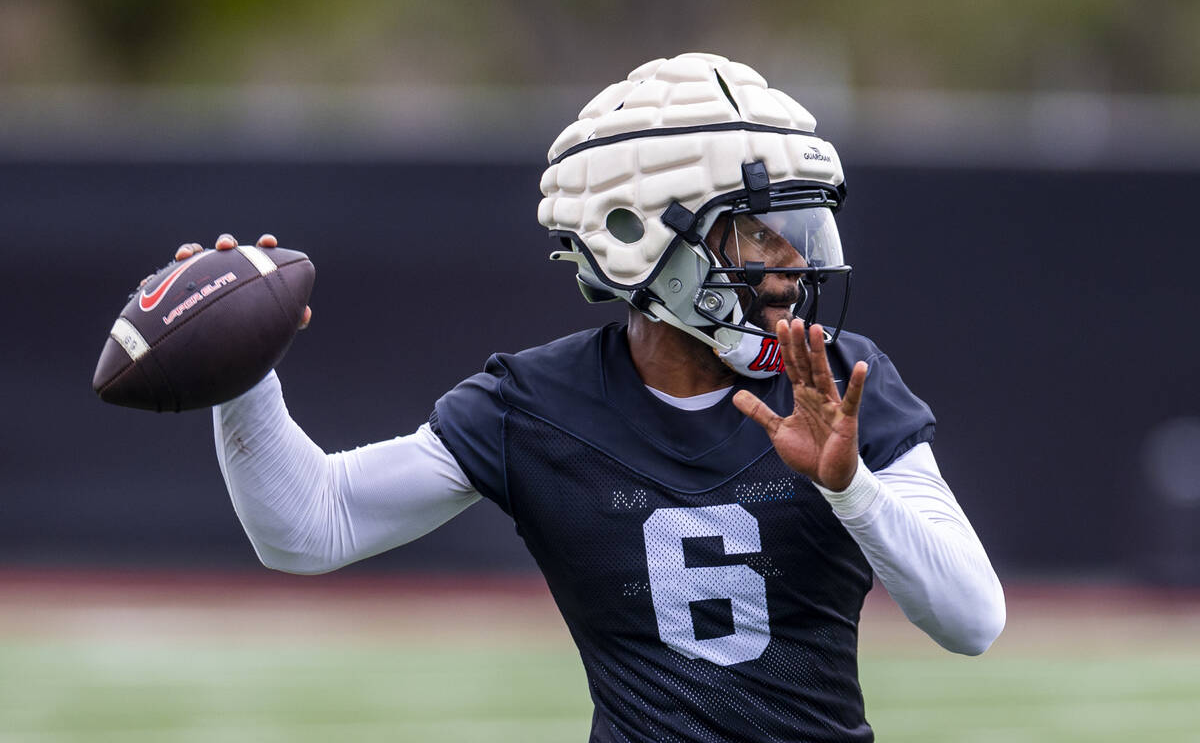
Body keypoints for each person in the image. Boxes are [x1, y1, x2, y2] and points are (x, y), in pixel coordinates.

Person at [182, 53, 1004, 742]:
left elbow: (973, 622)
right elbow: (308, 525)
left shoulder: (837, 384)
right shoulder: (536, 403)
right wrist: (240, 366)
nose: (792, 264)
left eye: (797, 227)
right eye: (758, 230)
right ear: (640, 234)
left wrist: (850, 487)